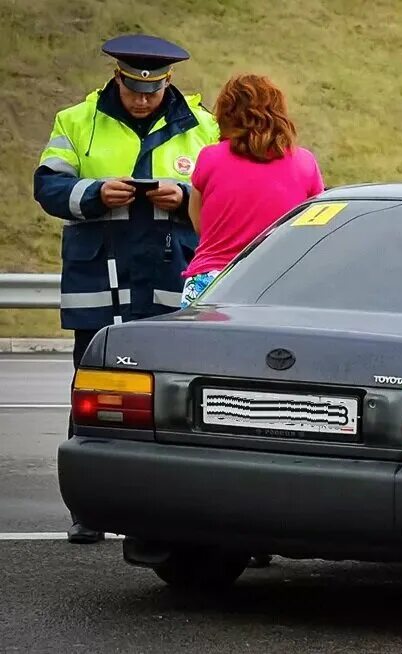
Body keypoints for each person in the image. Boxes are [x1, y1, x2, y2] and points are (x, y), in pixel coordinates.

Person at [33, 34, 219, 544]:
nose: (142, 99)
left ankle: (169, 513)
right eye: (135, 89)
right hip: (102, 277)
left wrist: (182, 197)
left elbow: (219, 194)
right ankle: (89, 510)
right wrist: (93, 194)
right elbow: (47, 185)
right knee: (95, 394)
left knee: (174, 396)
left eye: (152, 91)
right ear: (118, 77)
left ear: (168, 81)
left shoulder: (203, 127)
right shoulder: (77, 120)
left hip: (169, 276)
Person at [180, 73, 325, 308]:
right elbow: (315, 228)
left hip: (212, 280)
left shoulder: (210, 157)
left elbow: (199, 225)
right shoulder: (305, 162)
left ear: (225, 113)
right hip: (278, 282)